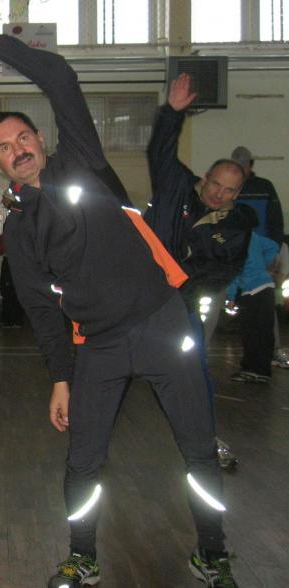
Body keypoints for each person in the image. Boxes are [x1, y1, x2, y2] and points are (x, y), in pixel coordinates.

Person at [0, 17, 237, 587]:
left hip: (163, 326)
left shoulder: (81, 158)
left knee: (198, 452)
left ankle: (213, 554)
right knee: (82, 460)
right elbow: (41, 312)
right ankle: (82, 558)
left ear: (40, 140)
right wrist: (61, 379)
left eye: (22, 138)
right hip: (99, 347)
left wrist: (3, 47)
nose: (17, 150)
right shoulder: (19, 232)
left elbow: (61, 80)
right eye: (4, 148)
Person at [146, 72, 254, 471]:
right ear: (205, 177)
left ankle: (206, 440)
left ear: (238, 193)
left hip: (181, 307)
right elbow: (159, 151)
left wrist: (180, 283)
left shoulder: (236, 226)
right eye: (216, 184)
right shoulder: (176, 188)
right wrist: (172, 114)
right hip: (138, 299)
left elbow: (222, 271)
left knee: (193, 371)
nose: (219, 194)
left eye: (229, 190)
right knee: (112, 370)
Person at [230, 145, 289, 370]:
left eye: (243, 166)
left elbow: (275, 223)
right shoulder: (231, 187)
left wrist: (271, 257)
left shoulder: (264, 187)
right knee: (244, 309)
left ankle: (272, 351)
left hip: (259, 255)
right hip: (235, 253)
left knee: (264, 308)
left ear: (250, 166)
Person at [227, 232, 278, 383]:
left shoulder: (233, 240)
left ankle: (251, 369)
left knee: (251, 333)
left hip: (251, 290)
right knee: (264, 331)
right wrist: (263, 266)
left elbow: (234, 272)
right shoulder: (251, 235)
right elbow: (273, 246)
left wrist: (231, 297)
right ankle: (262, 370)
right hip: (266, 286)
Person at [0, 193, 25, 328]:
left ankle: (13, 319)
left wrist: (2, 243)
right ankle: (8, 317)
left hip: (13, 258)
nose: (2, 201)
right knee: (8, 288)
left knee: (10, 288)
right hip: (13, 257)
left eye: (4, 198)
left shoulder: (16, 216)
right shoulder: (16, 215)